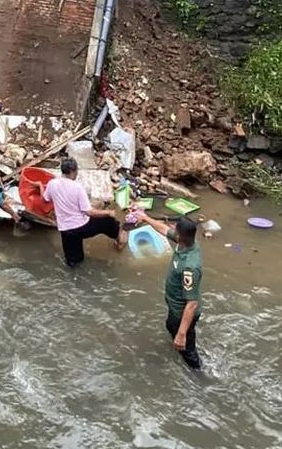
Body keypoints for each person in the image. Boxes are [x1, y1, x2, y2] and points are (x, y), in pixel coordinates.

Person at [134, 212, 203, 370]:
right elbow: (163, 229)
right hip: (175, 307)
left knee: (187, 349)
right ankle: (180, 338)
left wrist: (181, 334)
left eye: (175, 228)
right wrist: (145, 218)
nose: (171, 228)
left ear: (180, 236)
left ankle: (198, 374)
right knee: (170, 325)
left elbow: (191, 304)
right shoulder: (186, 242)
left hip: (182, 311)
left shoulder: (190, 267)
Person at [39, 158, 127, 267]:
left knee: (73, 262)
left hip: (65, 230)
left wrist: (39, 186)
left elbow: (44, 199)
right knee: (107, 221)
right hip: (81, 226)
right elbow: (89, 212)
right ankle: (120, 240)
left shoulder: (52, 184)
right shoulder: (77, 188)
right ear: (73, 171)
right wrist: (108, 212)